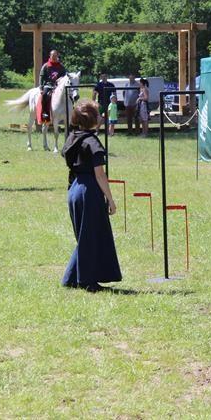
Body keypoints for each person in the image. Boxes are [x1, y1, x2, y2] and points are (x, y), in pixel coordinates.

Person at [60, 100, 121, 292]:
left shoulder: (72, 137)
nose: (102, 116)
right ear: (92, 120)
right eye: (98, 113)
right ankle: (88, 281)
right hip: (88, 190)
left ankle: (70, 278)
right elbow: (100, 174)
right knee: (91, 236)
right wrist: (110, 199)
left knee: (85, 236)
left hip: (74, 189)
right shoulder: (92, 141)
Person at [38, 50, 66, 122]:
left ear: (57, 56)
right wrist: (41, 87)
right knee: (44, 96)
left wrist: (60, 79)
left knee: (68, 96)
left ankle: (67, 114)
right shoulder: (46, 66)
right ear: (50, 56)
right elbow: (41, 76)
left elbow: (64, 76)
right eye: (52, 56)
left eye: (55, 56)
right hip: (48, 85)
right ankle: (45, 114)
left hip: (58, 86)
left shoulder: (61, 67)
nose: (54, 57)